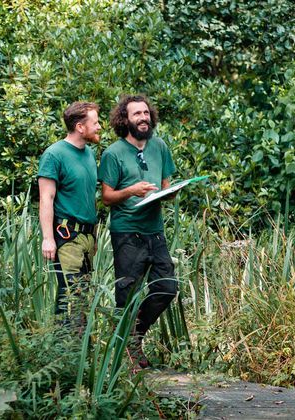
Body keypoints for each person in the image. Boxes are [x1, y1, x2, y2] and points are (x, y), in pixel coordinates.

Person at [98, 95, 177, 369]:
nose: (143, 118)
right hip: (127, 233)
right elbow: (107, 197)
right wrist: (132, 191)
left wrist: (172, 192)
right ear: (125, 120)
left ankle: (135, 335)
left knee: (167, 288)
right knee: (126, 294)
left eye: (146, 113)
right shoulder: (113, 153)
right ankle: (126, 352)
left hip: (155, 231)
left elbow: (166, 187)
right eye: (136, 114)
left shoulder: (160, 147)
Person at [38, 101, 102, 323]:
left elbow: (87, 197)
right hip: (67, 236)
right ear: (80, 127)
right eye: (95, 123)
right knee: (72, 296)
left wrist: (93, 236)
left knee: (82, 296)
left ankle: (75, 349)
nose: (99, 127)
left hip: (87, 236)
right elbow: (46, 197)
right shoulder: (54, 154)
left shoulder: (90, 155)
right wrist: (48, 239)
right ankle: (66, 349)